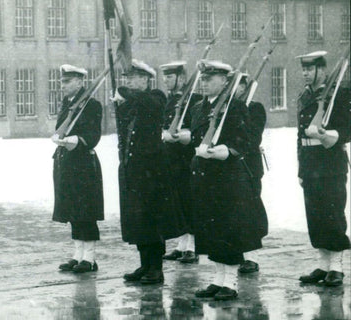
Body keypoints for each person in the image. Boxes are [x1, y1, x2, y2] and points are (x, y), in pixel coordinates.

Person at [183, 60, 266, 301]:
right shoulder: (199, 107)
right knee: (211, 229)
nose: (205, 82)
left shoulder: (236, 107)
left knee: (227, 229)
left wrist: (225, 150)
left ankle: (229, 282)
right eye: (204, 78)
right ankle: (217, 279)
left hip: (227, 176)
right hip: (204, 175)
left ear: (225, 81)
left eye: (211, 78)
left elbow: (244, 141)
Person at [114, 60, 185, 285]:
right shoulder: (130, 103)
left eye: (134, 78)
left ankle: (156, 268)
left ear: (145, 80)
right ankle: (145, 264)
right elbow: (124, 134)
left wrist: (125, 94)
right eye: (127, 79)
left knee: (152, 220)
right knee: (137, 220)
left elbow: (149, 105)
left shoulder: (155, 97)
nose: (129, 83)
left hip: (151, 170)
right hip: (132, 169)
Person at [295, 51, 350, 287]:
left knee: (332, 213)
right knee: (315, 214)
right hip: (310, 162)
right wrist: (300, 167)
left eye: (310, 69)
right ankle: (323, 264)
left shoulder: (339, 94)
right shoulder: (304, 96)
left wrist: (331, 135)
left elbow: (347, 128)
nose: (306, 73)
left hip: (330, 162)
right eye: (304, 69)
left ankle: (336, 266)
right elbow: (300, 136)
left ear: (323, 70)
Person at [51, 64, 104, 274]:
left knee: (86, 212)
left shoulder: (92, 105)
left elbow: (93, 136)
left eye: (68, 81)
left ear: (80, 82)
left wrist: (75, 140)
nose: (63, 85)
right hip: (66, 163)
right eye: (62, 81)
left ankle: (89, 258)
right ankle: (77, 254)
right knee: (73, 210)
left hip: (83, 164)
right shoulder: (67, 103)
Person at [159, 61, 199, 264]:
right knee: (176, 201)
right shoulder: (171, 99)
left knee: (188, 200)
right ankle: (182, 244)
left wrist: (182, 135)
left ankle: (192, 246)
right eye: (165, 76)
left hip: (186, 157)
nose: (165, 80)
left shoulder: (192, 99)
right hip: (171, 157)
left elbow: (197, 127)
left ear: (181, 78)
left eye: (169, 76)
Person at [236, 73, 268, 275]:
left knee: (250, 211)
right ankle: (239, 254)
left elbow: (253, 137)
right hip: (231, 169)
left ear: (244, 87)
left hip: (248, 167)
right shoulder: (227, 108)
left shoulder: (254, 108)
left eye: (237, 86)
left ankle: (251, 257)